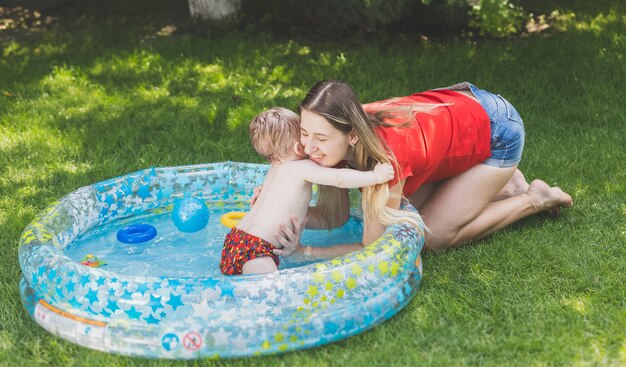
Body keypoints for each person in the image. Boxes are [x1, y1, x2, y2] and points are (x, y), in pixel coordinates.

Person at [268, 80, 573, 258]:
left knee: (431, 234)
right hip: (463, 107)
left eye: (320, 138)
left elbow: (370, 247)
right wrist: (280, 213)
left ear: (352, 135)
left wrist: (304, 251)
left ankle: (534, 198)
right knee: (410, 208)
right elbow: (336, 215)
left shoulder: (384, 164)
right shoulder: (339, 125)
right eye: (304, 133)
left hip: (498, 130)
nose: (308, 148)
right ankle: (501, 184)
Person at [219, 107, 397, 275]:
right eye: (305, 135)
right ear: (298, 148)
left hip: (235, 239)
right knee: (273, 294)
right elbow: (338, 178)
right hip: (257, 250)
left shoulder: (274, 172)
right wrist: (375, 176)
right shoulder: (302, 167)